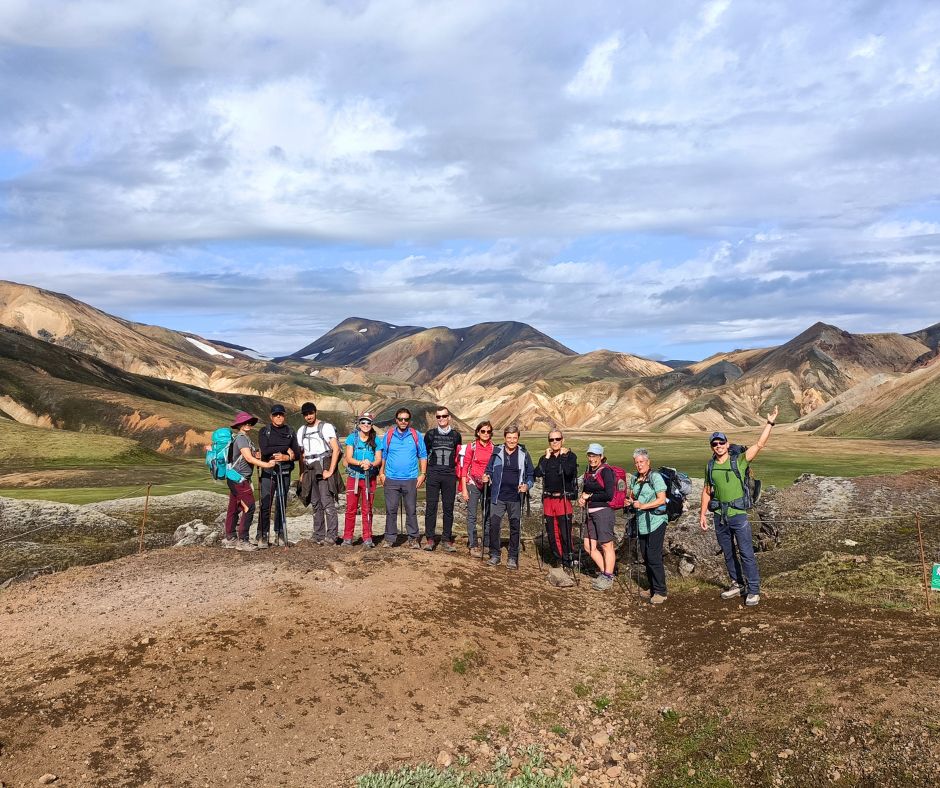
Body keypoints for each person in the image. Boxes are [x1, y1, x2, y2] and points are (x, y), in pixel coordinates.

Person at [699, 406, 779, 607]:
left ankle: (753, 589)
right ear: (712, 447)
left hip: (738, 516)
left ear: (727, 444)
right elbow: (707, 491)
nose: (718, 446)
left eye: (721, 442)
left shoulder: (740, 461)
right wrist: (702, 514)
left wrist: (769, 423)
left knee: (746, 552)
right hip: (719, 515)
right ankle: (737, 583)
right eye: (714, 443)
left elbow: (759, 444)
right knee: (727, 552)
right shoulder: (710, 466)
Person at [221, 411, 276, 551]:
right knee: (249, 507)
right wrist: (267, 465)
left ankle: (230, 538)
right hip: (240, 479)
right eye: (245, 422)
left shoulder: (242, 438)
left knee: (233, 508)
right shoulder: (242, 438)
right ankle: (243, 540)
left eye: (249, 422)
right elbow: (248, 458)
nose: (248, 425)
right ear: (239, 424)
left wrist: (256, 454)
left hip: (233, 477)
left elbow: (249, 455)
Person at [482, 425, 535, 570]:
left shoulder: (524, 453)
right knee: (494, 525)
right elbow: (489, 469)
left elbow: (531, 474)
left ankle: (512, 557)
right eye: (509, 437)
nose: (512, 440)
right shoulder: (497, 451)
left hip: (516, 497)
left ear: (518, 438)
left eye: (515, 438)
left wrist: (527, 485)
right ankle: (495, 555)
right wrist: (487, 476)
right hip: (498, 496)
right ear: (505, 438)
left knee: (515, 527)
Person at [378, 407, 428, 548]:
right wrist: (381, 473)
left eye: (406, 419)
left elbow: (423, 455)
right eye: (401, 419)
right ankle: (390, 538)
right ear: (396, 420)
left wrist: (423, 474)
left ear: (409, 421)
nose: (403, 421)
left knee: (411, 509)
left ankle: (413, 538)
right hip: (391, 479)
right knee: (391, 509)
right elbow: (383, 456)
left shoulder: (415, 435)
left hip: (411, 478)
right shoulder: (389, 435)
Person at [296, 402, 341, 546]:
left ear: (316, 412)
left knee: (327, 502)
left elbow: (336, 449)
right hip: (309, 469)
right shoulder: (301, 430)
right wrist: (301, 473)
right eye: (306, 414)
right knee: (315, 503)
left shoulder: (326, 427)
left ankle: (332, 536)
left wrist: (331, 470)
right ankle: (318, 535)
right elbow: (301, 455)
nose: (309, 416)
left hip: (323, 467)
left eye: (311, 413)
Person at [628, 448, 668, 604]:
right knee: (645, 554)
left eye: (641, 462)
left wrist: (643, 506)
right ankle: (652, 588)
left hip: (657, 520)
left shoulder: (655, 477)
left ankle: (660, 591)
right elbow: (632, 496)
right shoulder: (635, 479)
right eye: (636, 462)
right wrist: (629, 502)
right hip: (642, 522)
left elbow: (662, 499)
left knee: (653, 555)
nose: (639, 465)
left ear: (648, 462)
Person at [534, 429, 579, 569]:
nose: (554, 442)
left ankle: (569, 559)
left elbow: (568, 472)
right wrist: (547, 458)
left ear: (562, 440)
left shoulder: (570, 456)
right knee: (552, 533)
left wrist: (564, 457)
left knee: (565, 532)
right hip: (548, 499)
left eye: (557, 439)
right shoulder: (544, 458)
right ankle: (558, 559)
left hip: (563, 499)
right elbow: (538, 473)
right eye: (551, 440)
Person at [257, 404, 300, 548]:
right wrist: (285, 448)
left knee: (282, 502)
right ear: (271, 416)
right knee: (266, 503)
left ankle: (280, 533)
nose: (279, 417)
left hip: (285, 472)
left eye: (281, 414)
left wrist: (286, 458)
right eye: (276, 415)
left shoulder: (290, 431)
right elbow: (265, 449)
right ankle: (262, 535)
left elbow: (297, 453)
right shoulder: (265, 431)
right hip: (268, 472)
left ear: (284, 416)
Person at [423, 406, 462, 552]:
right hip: (433, 474)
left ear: (449, 417)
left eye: (444, 416)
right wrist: (424, 473)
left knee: (448, 508)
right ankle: (430, 538)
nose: (441, 419)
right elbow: (424, 455)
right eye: (438, 417)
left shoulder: (456, 435)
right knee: (431, 507)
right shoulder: (430, 435)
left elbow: (458, 455)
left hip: (450, 475)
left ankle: (446, 539)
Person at [579, 443, 617, 591]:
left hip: (603, 512)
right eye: (590, 455)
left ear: (601, 456)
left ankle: (608, 576)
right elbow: (585, 491)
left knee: (607, 545)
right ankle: (604, 573)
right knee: (588, 546)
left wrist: (590, 496)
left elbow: (609, 494)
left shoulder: (606, 471)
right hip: (591, 512)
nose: (591, 458)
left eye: (594, 455)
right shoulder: (589, 471)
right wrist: (583, 498)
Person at [343, 411, 382, 548]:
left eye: (368, 422)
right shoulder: (352, 438)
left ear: (372, 424)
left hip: (369, 478)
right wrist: (361, 463)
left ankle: (367, 537)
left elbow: (378, 459)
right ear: (359, 424)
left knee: (368, 508)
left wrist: (370, 464)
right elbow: (348, 458)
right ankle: (347, 537)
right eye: (363, 422)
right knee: (351, 509)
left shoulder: (376, 439)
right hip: (354, 477)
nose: (365, 425)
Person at [458, 420, 495, 558]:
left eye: (488, 431)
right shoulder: (471, 447)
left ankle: (486, 543)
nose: (486, 434)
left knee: (487, 515)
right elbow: (465, 467)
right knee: (472, 516)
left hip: (489, 485)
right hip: (473, 484)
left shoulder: (494, 448)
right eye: (483, 431)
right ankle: (473, 544)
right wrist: (464, 489)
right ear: (478, 432)